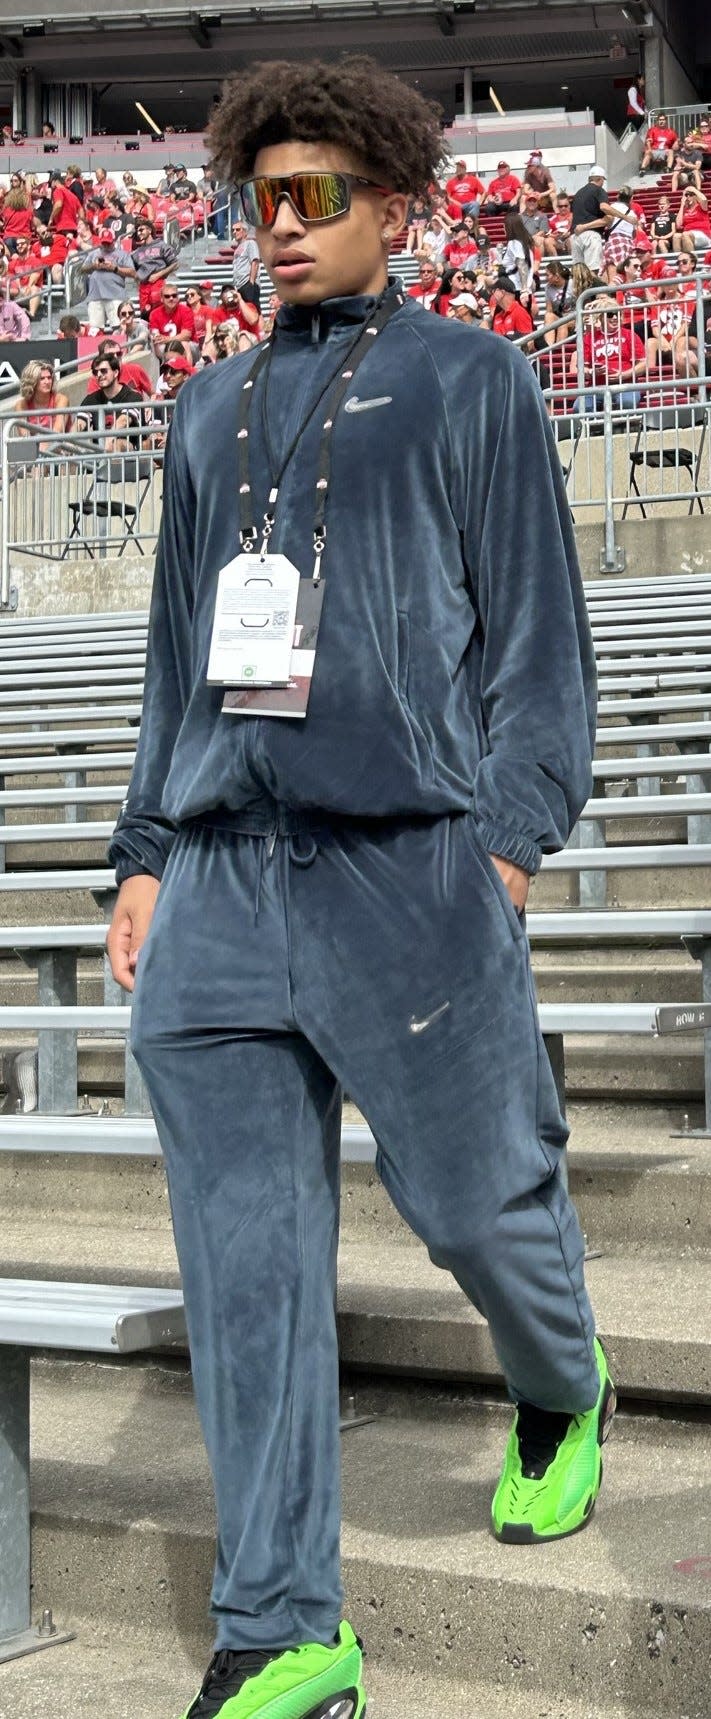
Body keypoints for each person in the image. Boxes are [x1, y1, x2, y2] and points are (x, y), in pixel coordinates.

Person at [106, 53, 614, 1719]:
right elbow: (180, 655)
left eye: (319, 196)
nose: (282, 226)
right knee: (245, 1268)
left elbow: (538, 637)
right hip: (225, 891)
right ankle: (289, 1629)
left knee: (479, 1201)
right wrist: (141, 854)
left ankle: (561, 1378)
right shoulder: (199, 407)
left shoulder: (477, 379)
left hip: (410, 871)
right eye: (260, 199)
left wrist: (512, 833)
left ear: (400, 206)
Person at [79, 230, 136, 330]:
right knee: (95, 328)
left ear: (113, 241)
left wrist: (114, 268)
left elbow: (132, 272)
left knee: (119, 326)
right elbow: (82, 269)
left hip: (115, 295)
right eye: (103, 243)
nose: (105, 245)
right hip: (95, 295)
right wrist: (94, 266)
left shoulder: (122, 254)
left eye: (108, 243)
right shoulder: (94, 253)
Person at [570, 167, 616, 274]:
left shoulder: (578, 193)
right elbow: (606, 215)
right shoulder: (599, 190)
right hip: (591, 235)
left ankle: (580, 291)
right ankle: (592, 291)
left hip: (576, 236)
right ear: (600, 179)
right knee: (593, 271)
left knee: (578, 273)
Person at [673, 187, 711, 255]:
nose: (688, 197)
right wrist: (682, 205)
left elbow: (704, 200)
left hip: (703, 235)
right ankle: (680, 259)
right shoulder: (684, 210)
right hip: (688, 235)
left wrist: (693, 189)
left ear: (695, 196)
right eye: (686, 195)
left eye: (690, 195)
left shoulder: (701, 207)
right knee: (676, 236)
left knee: (685, 234)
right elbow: (678, 225)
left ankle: (692, 260)